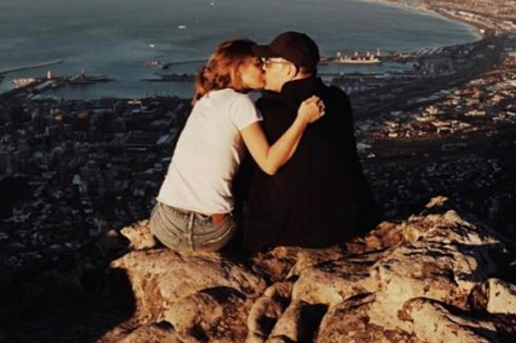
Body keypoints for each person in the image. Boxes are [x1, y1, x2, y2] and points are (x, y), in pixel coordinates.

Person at [150, 39, 325, 252]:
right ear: (238, 67)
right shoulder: (241, 103)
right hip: (207, 232)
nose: (263, 67)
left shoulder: (205, 99)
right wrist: (302, 120)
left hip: (164, 223)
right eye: (257, 63)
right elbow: (269, 163)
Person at [238, 31, 380, 252]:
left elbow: (260, 172)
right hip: (347, 223)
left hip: (290, 232)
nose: (263, 67)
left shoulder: (270, 110)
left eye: (268, 62)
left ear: (289, 69)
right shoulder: (338, 100)